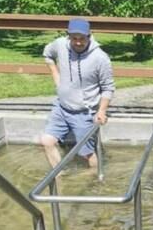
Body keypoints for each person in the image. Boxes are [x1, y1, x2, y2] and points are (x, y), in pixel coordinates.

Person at [40, 17, 115, 170]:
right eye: (74, 38)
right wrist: (56, 77)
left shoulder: (100, 58)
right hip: (61, 107)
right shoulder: (60, 44)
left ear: (89, 36)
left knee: (87, 154)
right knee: (47, 141)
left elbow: (108, 87)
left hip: (84, 112)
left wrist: (101, 111)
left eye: (82, 38)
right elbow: (48, 54)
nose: (78, 42)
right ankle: (59, 177)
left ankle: (94, 177)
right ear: (68, 36)